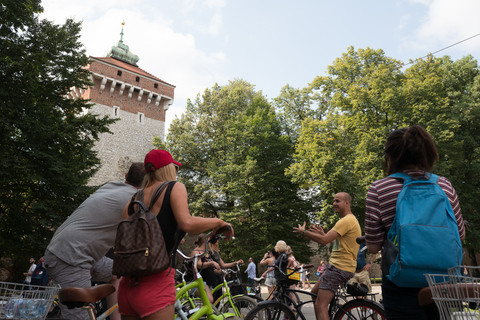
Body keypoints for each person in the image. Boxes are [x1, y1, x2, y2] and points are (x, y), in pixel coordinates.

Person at [117, 149, 234, 320]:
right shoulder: (174, 187)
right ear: (168, 168)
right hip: (156, 284)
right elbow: (187, 222)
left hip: (127, 287)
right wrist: (219, 222)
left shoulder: (134, 198)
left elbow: (123, 236)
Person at [364, 125, 466, 319]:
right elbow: (460, 235)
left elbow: (374, 246)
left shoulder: (379, 188)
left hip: (400, 282)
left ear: (390, 157)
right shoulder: (444, 185)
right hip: (444, 281)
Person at [44, 162, 146, 320]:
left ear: (126, 176)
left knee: (118, 273)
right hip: (71, 258)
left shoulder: (111, 185)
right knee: (79, 316)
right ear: (146, 184)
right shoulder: (134, 200)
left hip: (67, 250)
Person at [293, 192, 361, 320]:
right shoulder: (349, 220)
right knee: (314, 293)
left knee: (321, 305)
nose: (334, 203)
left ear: (347, 203)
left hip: (338, 267)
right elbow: (336, 243)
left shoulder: (346, 221)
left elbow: (323, 240)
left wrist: (304, 232)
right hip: (341, 266)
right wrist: (323, 235)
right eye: (334, 201)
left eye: (337, 201)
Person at [208, 235, 244, 300]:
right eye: (216, 240)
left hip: (218, 277)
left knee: (218, 297)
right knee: (213, 298)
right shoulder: (209, 252)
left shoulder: (215, 252)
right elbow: (210, 267)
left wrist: (236, 262)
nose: (217, 241)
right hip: (212, 277)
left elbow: (223, 265)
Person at [190, 234, 221, 304]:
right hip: (198, 282)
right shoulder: (196, 251)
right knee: (209, 300)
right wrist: (211, 263)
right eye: (209, 242)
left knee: (209, 303)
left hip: (207, 282)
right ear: (205, 242)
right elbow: (198, 265)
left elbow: (209, 268)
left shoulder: (206, 253)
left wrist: (220, 271)